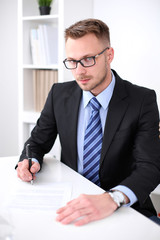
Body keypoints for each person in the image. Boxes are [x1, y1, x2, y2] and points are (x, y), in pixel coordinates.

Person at [16, 18, 160, 226]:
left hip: (125, 207)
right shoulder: (59, 94)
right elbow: (36, 143)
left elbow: (151, 167)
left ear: (109, 55)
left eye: (88, 59)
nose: (79, 71)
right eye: (72, 61)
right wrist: (30, 161)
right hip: (72, 201)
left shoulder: (141, 100)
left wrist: (113, 198)